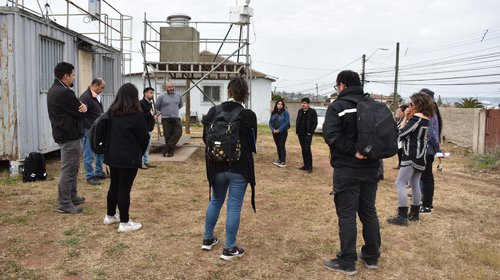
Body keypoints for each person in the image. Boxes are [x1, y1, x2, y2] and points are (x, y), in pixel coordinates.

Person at [322, 70, 381, 276]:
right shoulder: (373, 105)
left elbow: (331, 135)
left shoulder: (338, 107)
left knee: (347, 214)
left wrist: (353, 151)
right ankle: (372, 256)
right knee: (368, 211)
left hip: (347, 169)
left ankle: (347, 261)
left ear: (342, 85)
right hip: (373, 167)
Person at [201, 77, 257, 261]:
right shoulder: (248, 115)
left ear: (229, 91)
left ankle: (208, 239)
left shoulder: (213, 111)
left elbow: (205, 139)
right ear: (245, 94)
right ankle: (229, 248)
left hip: (216, 166)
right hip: (239, 168)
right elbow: (252, 143)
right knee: (233, 207)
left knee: (216, 200)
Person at [102, 83, 150, 233]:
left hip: (112, 156)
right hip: (128, 158)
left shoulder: (112, 112)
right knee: (124, 189)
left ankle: (110, 215)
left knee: (114, 186)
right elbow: (144, 137)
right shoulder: (136, 115)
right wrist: (139, 153)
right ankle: (124, 222)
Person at [387, 92, 435, 226]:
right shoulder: (426, 118)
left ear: (418, 104)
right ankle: (414, 213)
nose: (409, 106)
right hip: (421, 155)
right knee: (415, 183)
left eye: (411, 103)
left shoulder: (417, 118)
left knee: (400, 183)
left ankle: (402, 216)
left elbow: (401, 133)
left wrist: (405, 118)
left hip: (411, 154)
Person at [47, 62, 88, 214]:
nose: (74, 77)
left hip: (65, 134)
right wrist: (84, 108)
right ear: (65, 76)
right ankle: (64, 203)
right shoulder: (64, 92)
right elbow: (81, 111)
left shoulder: (56, 90)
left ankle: (72, 196)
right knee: (69, 169)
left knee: (73, 167)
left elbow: (79, 108)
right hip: (69, 136)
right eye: (72, 75)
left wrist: (82, 107)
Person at [418, 88, 442, 214]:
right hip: (427, 149)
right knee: (425, 176)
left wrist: (438, 148)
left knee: (426, 177)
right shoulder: (432, 111)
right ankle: (425, 202)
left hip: (427, 150)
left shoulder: (430, 112)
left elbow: (432, 133)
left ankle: (427, 205)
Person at [80, 78, 107, 186]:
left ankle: (99, 172)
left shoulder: (96, 96)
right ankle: (90, 176)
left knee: (100, 150)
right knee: (89, 153)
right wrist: (90, 127)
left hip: (97, 130)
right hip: (89, 130)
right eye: (102, 87)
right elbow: (82, 115)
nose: (103, 90)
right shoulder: (85, 97)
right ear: (95, 85)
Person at [155, 82, 183, 157]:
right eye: (169, 87)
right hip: (166, 118)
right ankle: (171, 152)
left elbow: (180, 105)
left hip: (176, 118)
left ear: (173, 87)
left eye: (171, 87)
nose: (170, 88)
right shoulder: (161, 96)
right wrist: (165, 110)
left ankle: (166, 147)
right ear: (165, 88)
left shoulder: (178, 96)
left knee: (178, 133)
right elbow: (157, 106)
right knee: (168, 135)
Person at [296, 97, 317, 173]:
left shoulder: (312, 112)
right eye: (302, 103)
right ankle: (305, 165)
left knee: (307, 149)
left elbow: (315, 123)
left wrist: (310, 132)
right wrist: (297, 131)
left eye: (304, 103)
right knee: (303, 149)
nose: (303, 104)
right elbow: (297, 120)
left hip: (308, 134)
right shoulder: (300, 111)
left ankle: (310, 166)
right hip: (300, 134)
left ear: (308, 104)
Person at [269, 99, 290, 168]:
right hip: (274, 132)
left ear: (283, 105)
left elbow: (287, 122)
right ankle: (279, 159)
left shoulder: (285, 112)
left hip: (282, 132)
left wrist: (279, 129)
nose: (280, 105)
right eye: (278, 104)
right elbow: (270, 122)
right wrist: (273, 129)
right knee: (278, 146)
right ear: (276, 105)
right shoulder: (273, 113)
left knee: (281, 145)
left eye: (281, 104)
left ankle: (283, 161)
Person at [140, 87, 157, 169]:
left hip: (149, 128)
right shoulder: (141, 103)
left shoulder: (150, 103)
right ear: (145, 93)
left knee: (148, 145)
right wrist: (150, 114)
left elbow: (150, 114)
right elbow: (140, 116)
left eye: (153, 93)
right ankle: (141, 162)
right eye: (151, 92)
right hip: (143, 128)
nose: (152, 94)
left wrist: (153, 117)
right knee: (143, 145)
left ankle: (146, 161)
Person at [394, 104, 409, 169]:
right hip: (399, 139)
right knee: (399, 152)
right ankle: (400, 164)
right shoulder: (400, 120)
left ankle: (401, 164)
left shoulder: (407, 120)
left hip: (403, 140)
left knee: (401, 152)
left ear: (403, 112)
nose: (399, 113)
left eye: (400, 112)